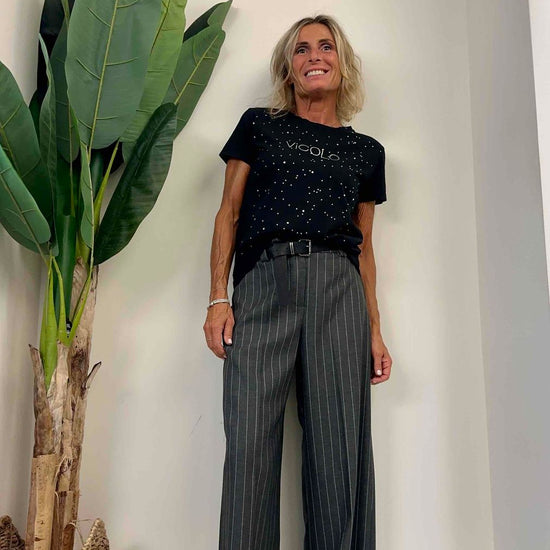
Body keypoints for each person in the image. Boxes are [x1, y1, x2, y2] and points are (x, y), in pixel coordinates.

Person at [204, 13, 393, 550]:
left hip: (338, 291)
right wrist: (218, 297)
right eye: (302, 49)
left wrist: (374, 329)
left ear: (342, 63)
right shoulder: (259, 126)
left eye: (326, 47)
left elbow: (365, 246)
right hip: (264, 284)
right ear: (288, 68)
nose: (315, 56)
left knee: (338, 452)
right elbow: (228, 213)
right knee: (248, 447)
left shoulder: (366, 151)